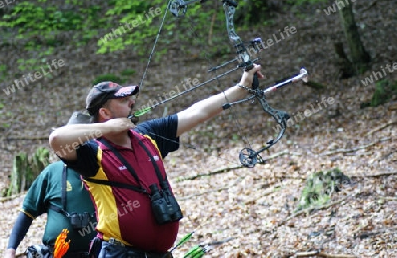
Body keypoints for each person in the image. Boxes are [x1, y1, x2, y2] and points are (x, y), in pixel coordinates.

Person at [48, 65, 263, 258]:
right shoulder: (93, 153)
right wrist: (109, 128)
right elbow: (56, 139)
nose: (132, 102)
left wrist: (241, 88)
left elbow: (198, 112)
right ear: (105, 112)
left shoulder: (148, 135)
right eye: (123, 101)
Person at [3, 160, 97, 258]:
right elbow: (27, 213)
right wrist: (11, 249)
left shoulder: (103, 172)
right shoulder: (52, 172)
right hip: (56, 254)